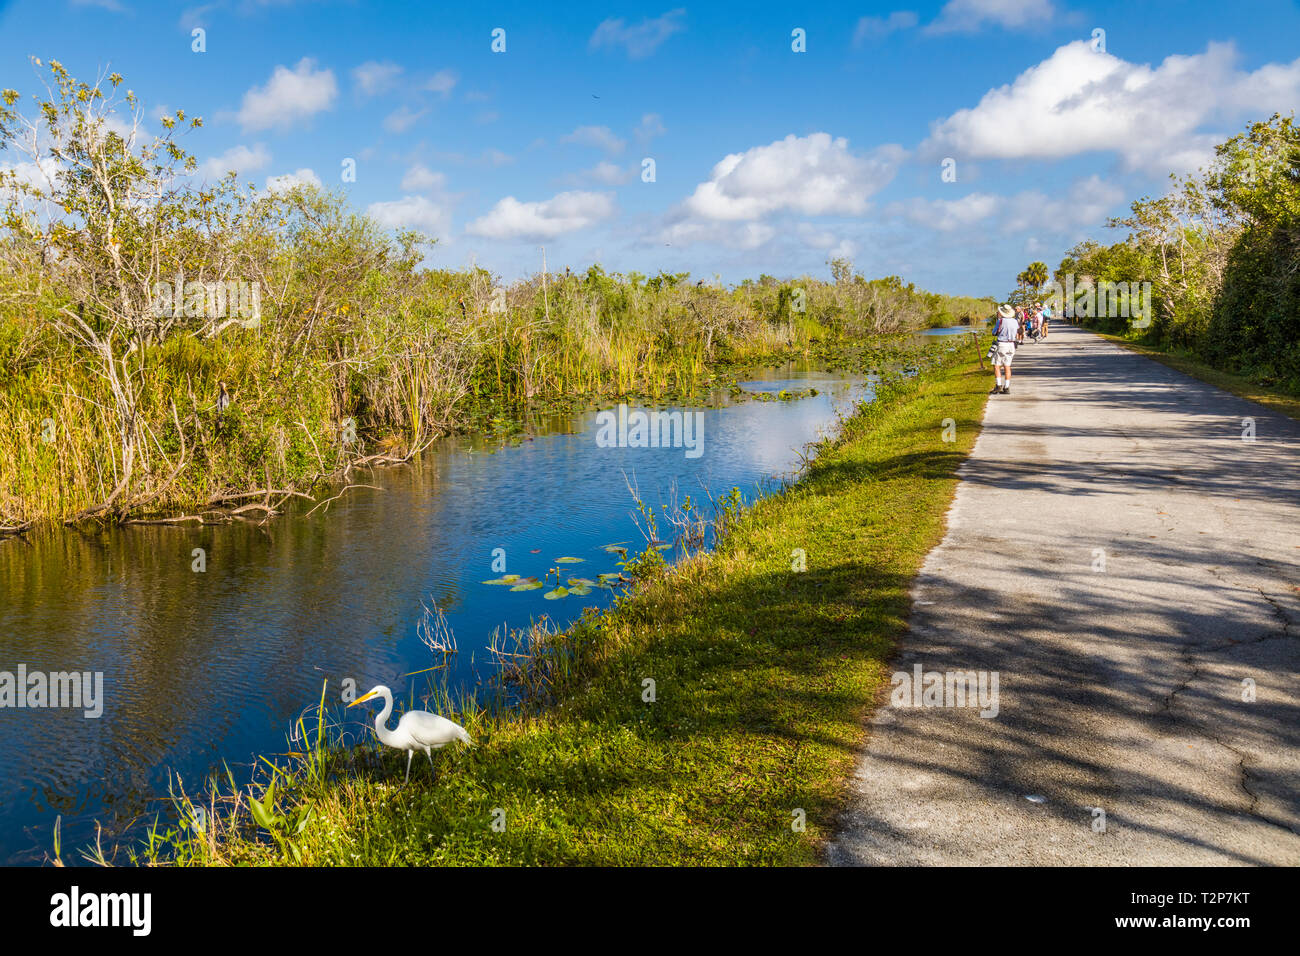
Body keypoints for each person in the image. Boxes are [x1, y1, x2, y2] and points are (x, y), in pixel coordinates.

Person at [991, 303, 1018, 394]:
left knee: (996, 365)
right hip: (1011, 345)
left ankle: (998, 385)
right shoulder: (1015, 321)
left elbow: (994, 332)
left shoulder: (1001, 321)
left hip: (1002, 344)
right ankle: (1007, 387)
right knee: (1007, 366)